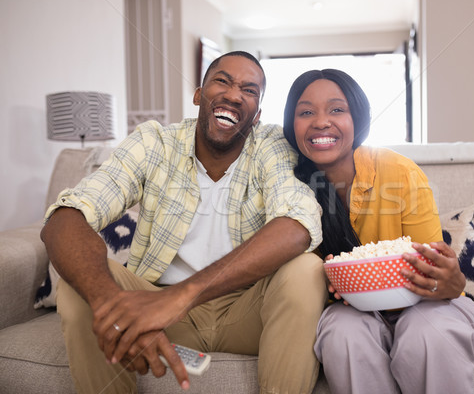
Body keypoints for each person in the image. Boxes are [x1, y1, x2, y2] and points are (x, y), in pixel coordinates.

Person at [40, 51, 327, 394]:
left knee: (307, 270)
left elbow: (297, 224)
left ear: (257, 115)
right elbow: (65, 218)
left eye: (249, 90)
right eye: (222, 81)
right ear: (198, 94)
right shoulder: (154, 143)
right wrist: (109, 306)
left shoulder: (271, 144)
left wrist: (182, 295)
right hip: (158, 310)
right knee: (78, 285)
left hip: (246, 312)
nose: (234, 95)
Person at [282, 69, 474, 394]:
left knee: (426, 332)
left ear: (358, 117)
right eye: (306, 112)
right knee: (341, 332)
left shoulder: (399, 172)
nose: (321, 121)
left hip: (428, 306)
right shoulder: (288, 187)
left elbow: (435, 275)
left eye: (337, 109)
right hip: (353, 312)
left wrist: (452, 281)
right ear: (291, 125)